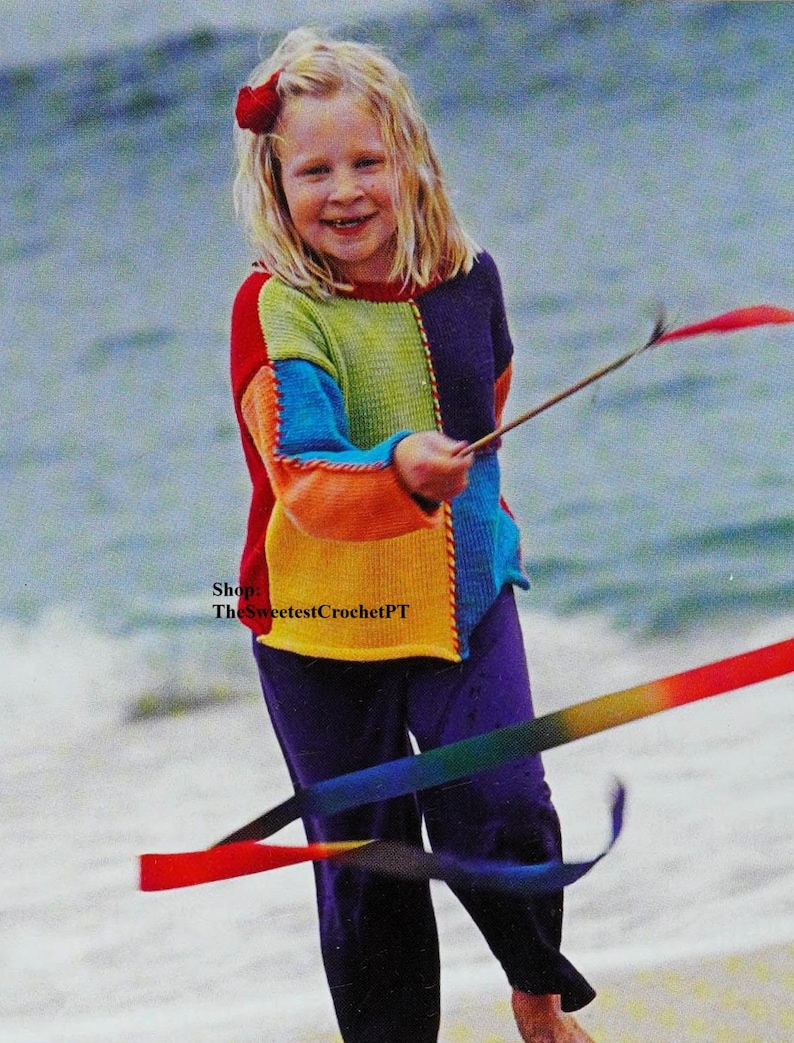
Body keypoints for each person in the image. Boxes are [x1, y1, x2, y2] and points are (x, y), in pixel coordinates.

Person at [229, 27, 596, 1043]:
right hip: (316, 625)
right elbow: (300, 475)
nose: (343, 190)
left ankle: (536, 993)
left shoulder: (469, 281)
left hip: (460, 597)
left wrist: (456, 507)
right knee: (368, 863)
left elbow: (492, 410)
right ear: (275, 182)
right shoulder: (276, 306)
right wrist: (396, 470)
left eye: (365, 161)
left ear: (409, 160)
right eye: (314, 170)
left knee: (503, 801)